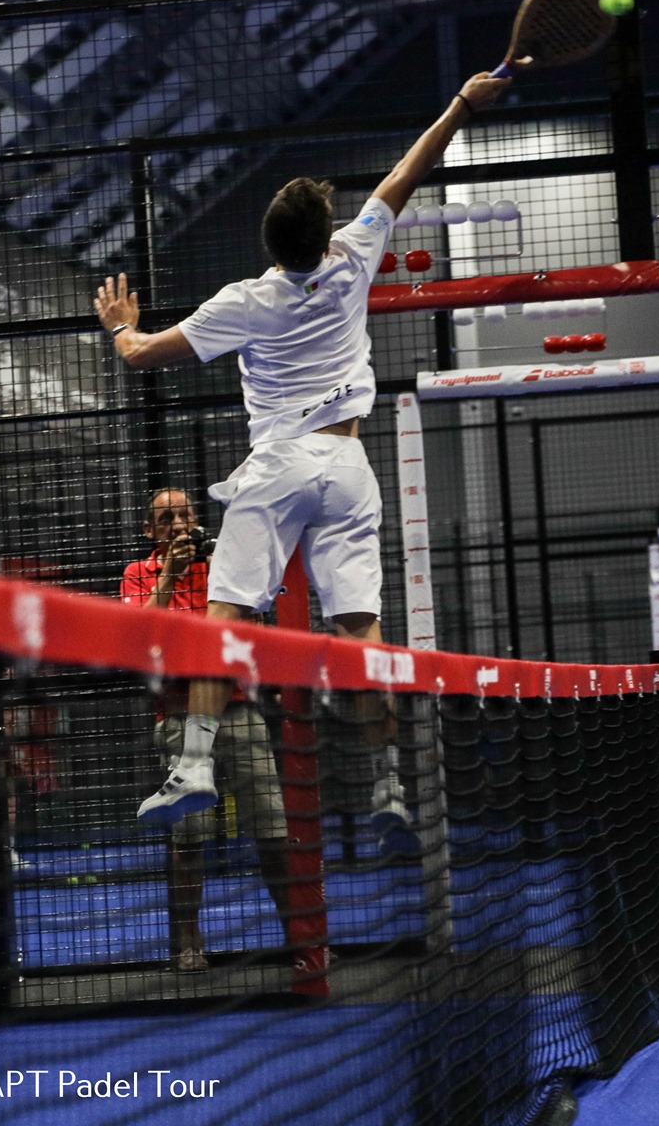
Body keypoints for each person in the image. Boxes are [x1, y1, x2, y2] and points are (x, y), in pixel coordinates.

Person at [94, 69, 511, 847]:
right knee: (360, 630)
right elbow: (404, 173)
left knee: (224, 616)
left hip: (280, 463)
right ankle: (389, 787)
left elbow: (143, 355)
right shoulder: (354, 255)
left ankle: (192, 768)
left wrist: (122, 324)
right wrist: (459, 102)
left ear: (269, 243)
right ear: (324, 236)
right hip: (350, 469)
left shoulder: (244, 301)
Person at [122, 486, 290, 973]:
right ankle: (188, 944)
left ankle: (300, 937)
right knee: (187, 837)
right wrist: (171, 575)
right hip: (176, 714)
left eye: (185, 514)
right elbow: (138, 638)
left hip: (238, 708)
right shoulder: (138, 574)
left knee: (273, 827)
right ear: (149, 531)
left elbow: (261, 620)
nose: (177, 524)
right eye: (166, 518)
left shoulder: (224, 564)